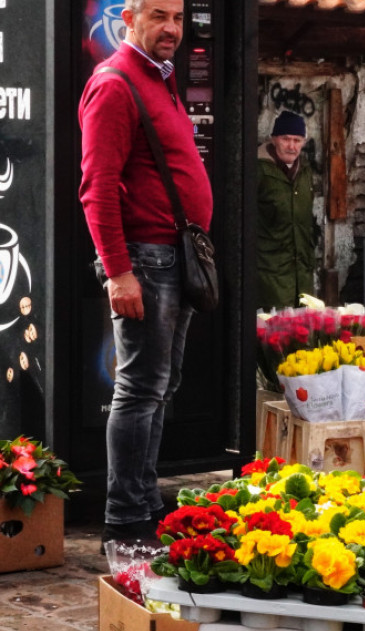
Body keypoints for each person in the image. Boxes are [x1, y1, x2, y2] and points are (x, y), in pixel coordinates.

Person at [79, 0, 212, 546]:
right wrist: (118, 272)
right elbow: (96, 188)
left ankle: (144, 500)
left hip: (172, 256)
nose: (172, 28)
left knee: (160, 387)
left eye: (178, 17)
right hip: (146, 260)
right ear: (129, 18)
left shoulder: (161, 78)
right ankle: (126, 518)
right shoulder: (115, 84)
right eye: (159, 16)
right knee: (139, 390)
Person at [257, 110, 315, 310]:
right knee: (274, 326)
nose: (292, 146)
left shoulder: (305, 171)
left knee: (303, 325)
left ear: (303, 142)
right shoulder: (258, 169)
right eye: (286, 139)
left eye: (297, 140)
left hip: (302, 273)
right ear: (274, 139)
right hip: (269, 274)